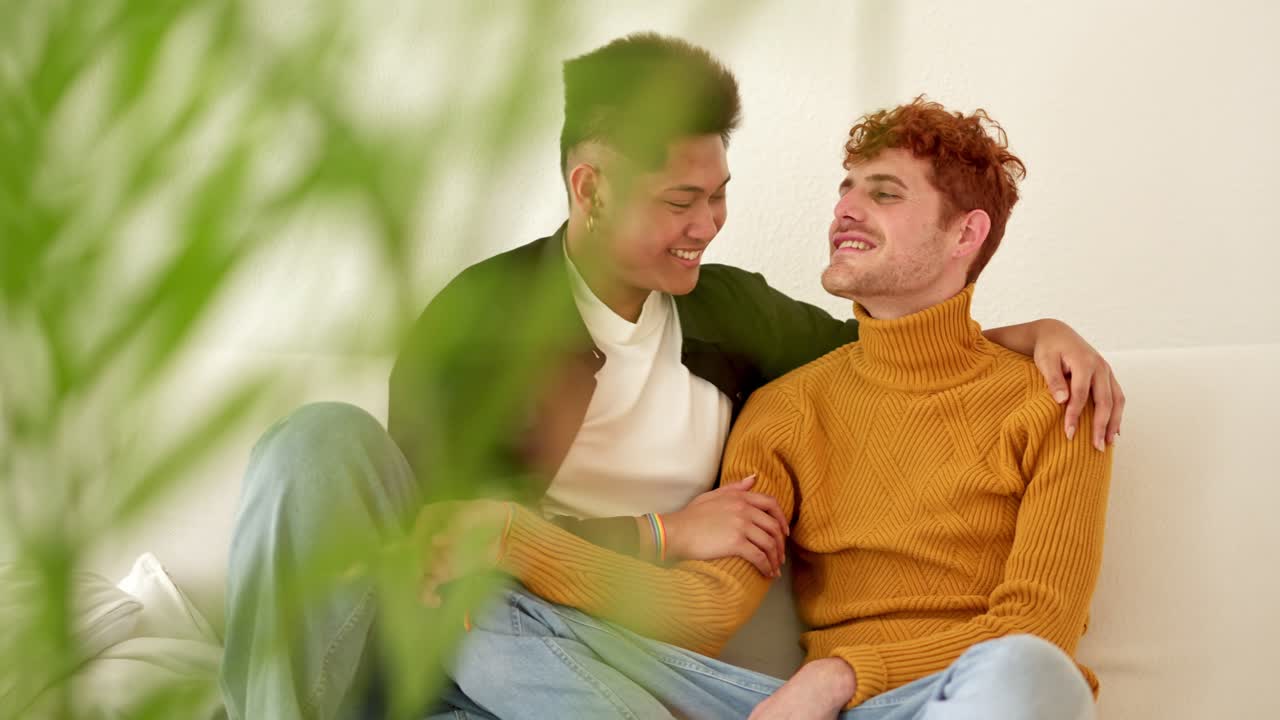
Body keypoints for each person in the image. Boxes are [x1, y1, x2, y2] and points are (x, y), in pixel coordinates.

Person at [219, 34, 1122, 720]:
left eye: (718, 193)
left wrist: (1028, 333)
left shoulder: (754, 325)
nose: (710, 224)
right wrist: (655, 533)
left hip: (868, 694)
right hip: (458, 646)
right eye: (680, 202)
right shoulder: (480, 321)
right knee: (393, 518)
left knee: (1028, 672)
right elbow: (449, 544)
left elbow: (899, 361)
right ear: (591, 189)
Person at [447, 96, 1112, 720]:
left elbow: (1039, 624)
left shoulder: (1053, 398)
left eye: (883, 193)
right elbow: (705, 607)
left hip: (948, 696)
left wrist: (842, 675)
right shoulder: (788, 407)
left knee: (1031, 669)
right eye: (846, 189)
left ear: (966, 233)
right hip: (789, 707)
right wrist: (517, 540)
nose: (846, 210)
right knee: (486, 625)